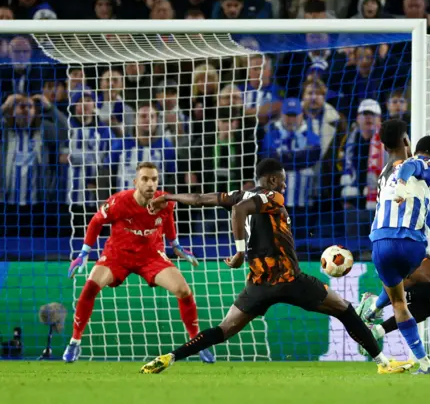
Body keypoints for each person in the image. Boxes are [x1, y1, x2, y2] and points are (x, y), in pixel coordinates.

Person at [140, 158, 413, 375]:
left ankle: (170, 356)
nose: (284, 186)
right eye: (282, 180)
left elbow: (201, 199)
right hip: (290, 280)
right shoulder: (272, 197)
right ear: (272, 179)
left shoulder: (239, 194)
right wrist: (238, 252)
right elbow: (240, 211)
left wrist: (169, 197)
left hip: (258, 285)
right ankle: (383, 362)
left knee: (224, 329)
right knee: (345, 309)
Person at [63, 162, 214, 364]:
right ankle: (74, 341)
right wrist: (83, 253)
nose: (150, 184)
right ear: (135, 182)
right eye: (145, 179)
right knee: (90, 286)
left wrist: (176, 245)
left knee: (183, 291)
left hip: (151, 256)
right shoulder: (118, 202)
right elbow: (96, 222)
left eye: (154, 179)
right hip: (118, 255)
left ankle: (197, 342)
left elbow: (168, 220)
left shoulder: (165, 201)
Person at [355, 119, 430, 352]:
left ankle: (374, 321)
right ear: (406, 140)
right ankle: (373, 308)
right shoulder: (415, 165)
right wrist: (404, 182)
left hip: (383, 239)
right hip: (405, 240)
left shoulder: (385, 173)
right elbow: (412, 168)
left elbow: (428, 216)